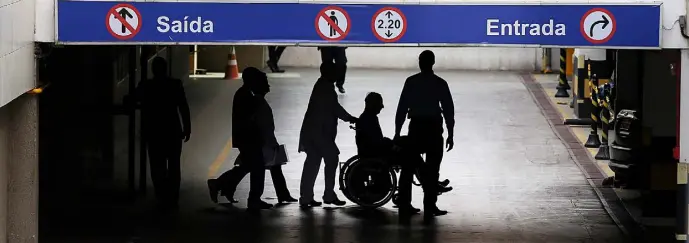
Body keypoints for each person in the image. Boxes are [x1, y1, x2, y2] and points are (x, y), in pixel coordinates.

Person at [207, 68, 298, 206]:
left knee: (249, 167)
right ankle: (249, 197)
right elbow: (254, 121)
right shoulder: (249, 97)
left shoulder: (247, 95)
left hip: (251, 139)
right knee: (256, 168)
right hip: (251, 140)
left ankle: (225, 186)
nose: (266, 85)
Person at [355, 92, 452, 214]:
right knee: (411, 158)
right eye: (380, 104)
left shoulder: (366, 118)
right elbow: (376, 142)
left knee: (410, 149)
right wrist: (392, 145)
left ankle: (427, 183)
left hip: (375, 151)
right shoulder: (368, 119)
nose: (382, 107)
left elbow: (375, 141)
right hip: (377, 154)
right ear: (373, 104)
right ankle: (428, 183)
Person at [395, 50, 455, 218]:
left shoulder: (411, 82)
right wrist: (450, 133)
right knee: (432, 169)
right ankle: (430, 206)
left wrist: (397, 132)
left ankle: (405, 204)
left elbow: (402, 109)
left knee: (408, 168)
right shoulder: (440, 83)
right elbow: (449, 110)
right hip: (434, 129)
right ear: (433, 63)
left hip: (416, 128)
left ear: (420, 63)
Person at [132, 56, 191, 208]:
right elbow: (183, 107)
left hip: (154, 132)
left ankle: (161, 194)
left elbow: (133, 99)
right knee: (173, 165)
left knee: (157, 165)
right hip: (172, 131)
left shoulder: (146, 85)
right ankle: (172, 196)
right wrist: (187, 127)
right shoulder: (175, 84)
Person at [298, 62, 357, 208]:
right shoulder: (325, 88)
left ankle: (307, 196)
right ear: (329, 73)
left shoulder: (322, 85)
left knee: (312, 163)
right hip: (319, 133)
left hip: (315, 132)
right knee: (331, 160)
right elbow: (334, 108)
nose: (338, 75)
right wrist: (351, 118)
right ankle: (328, 194)